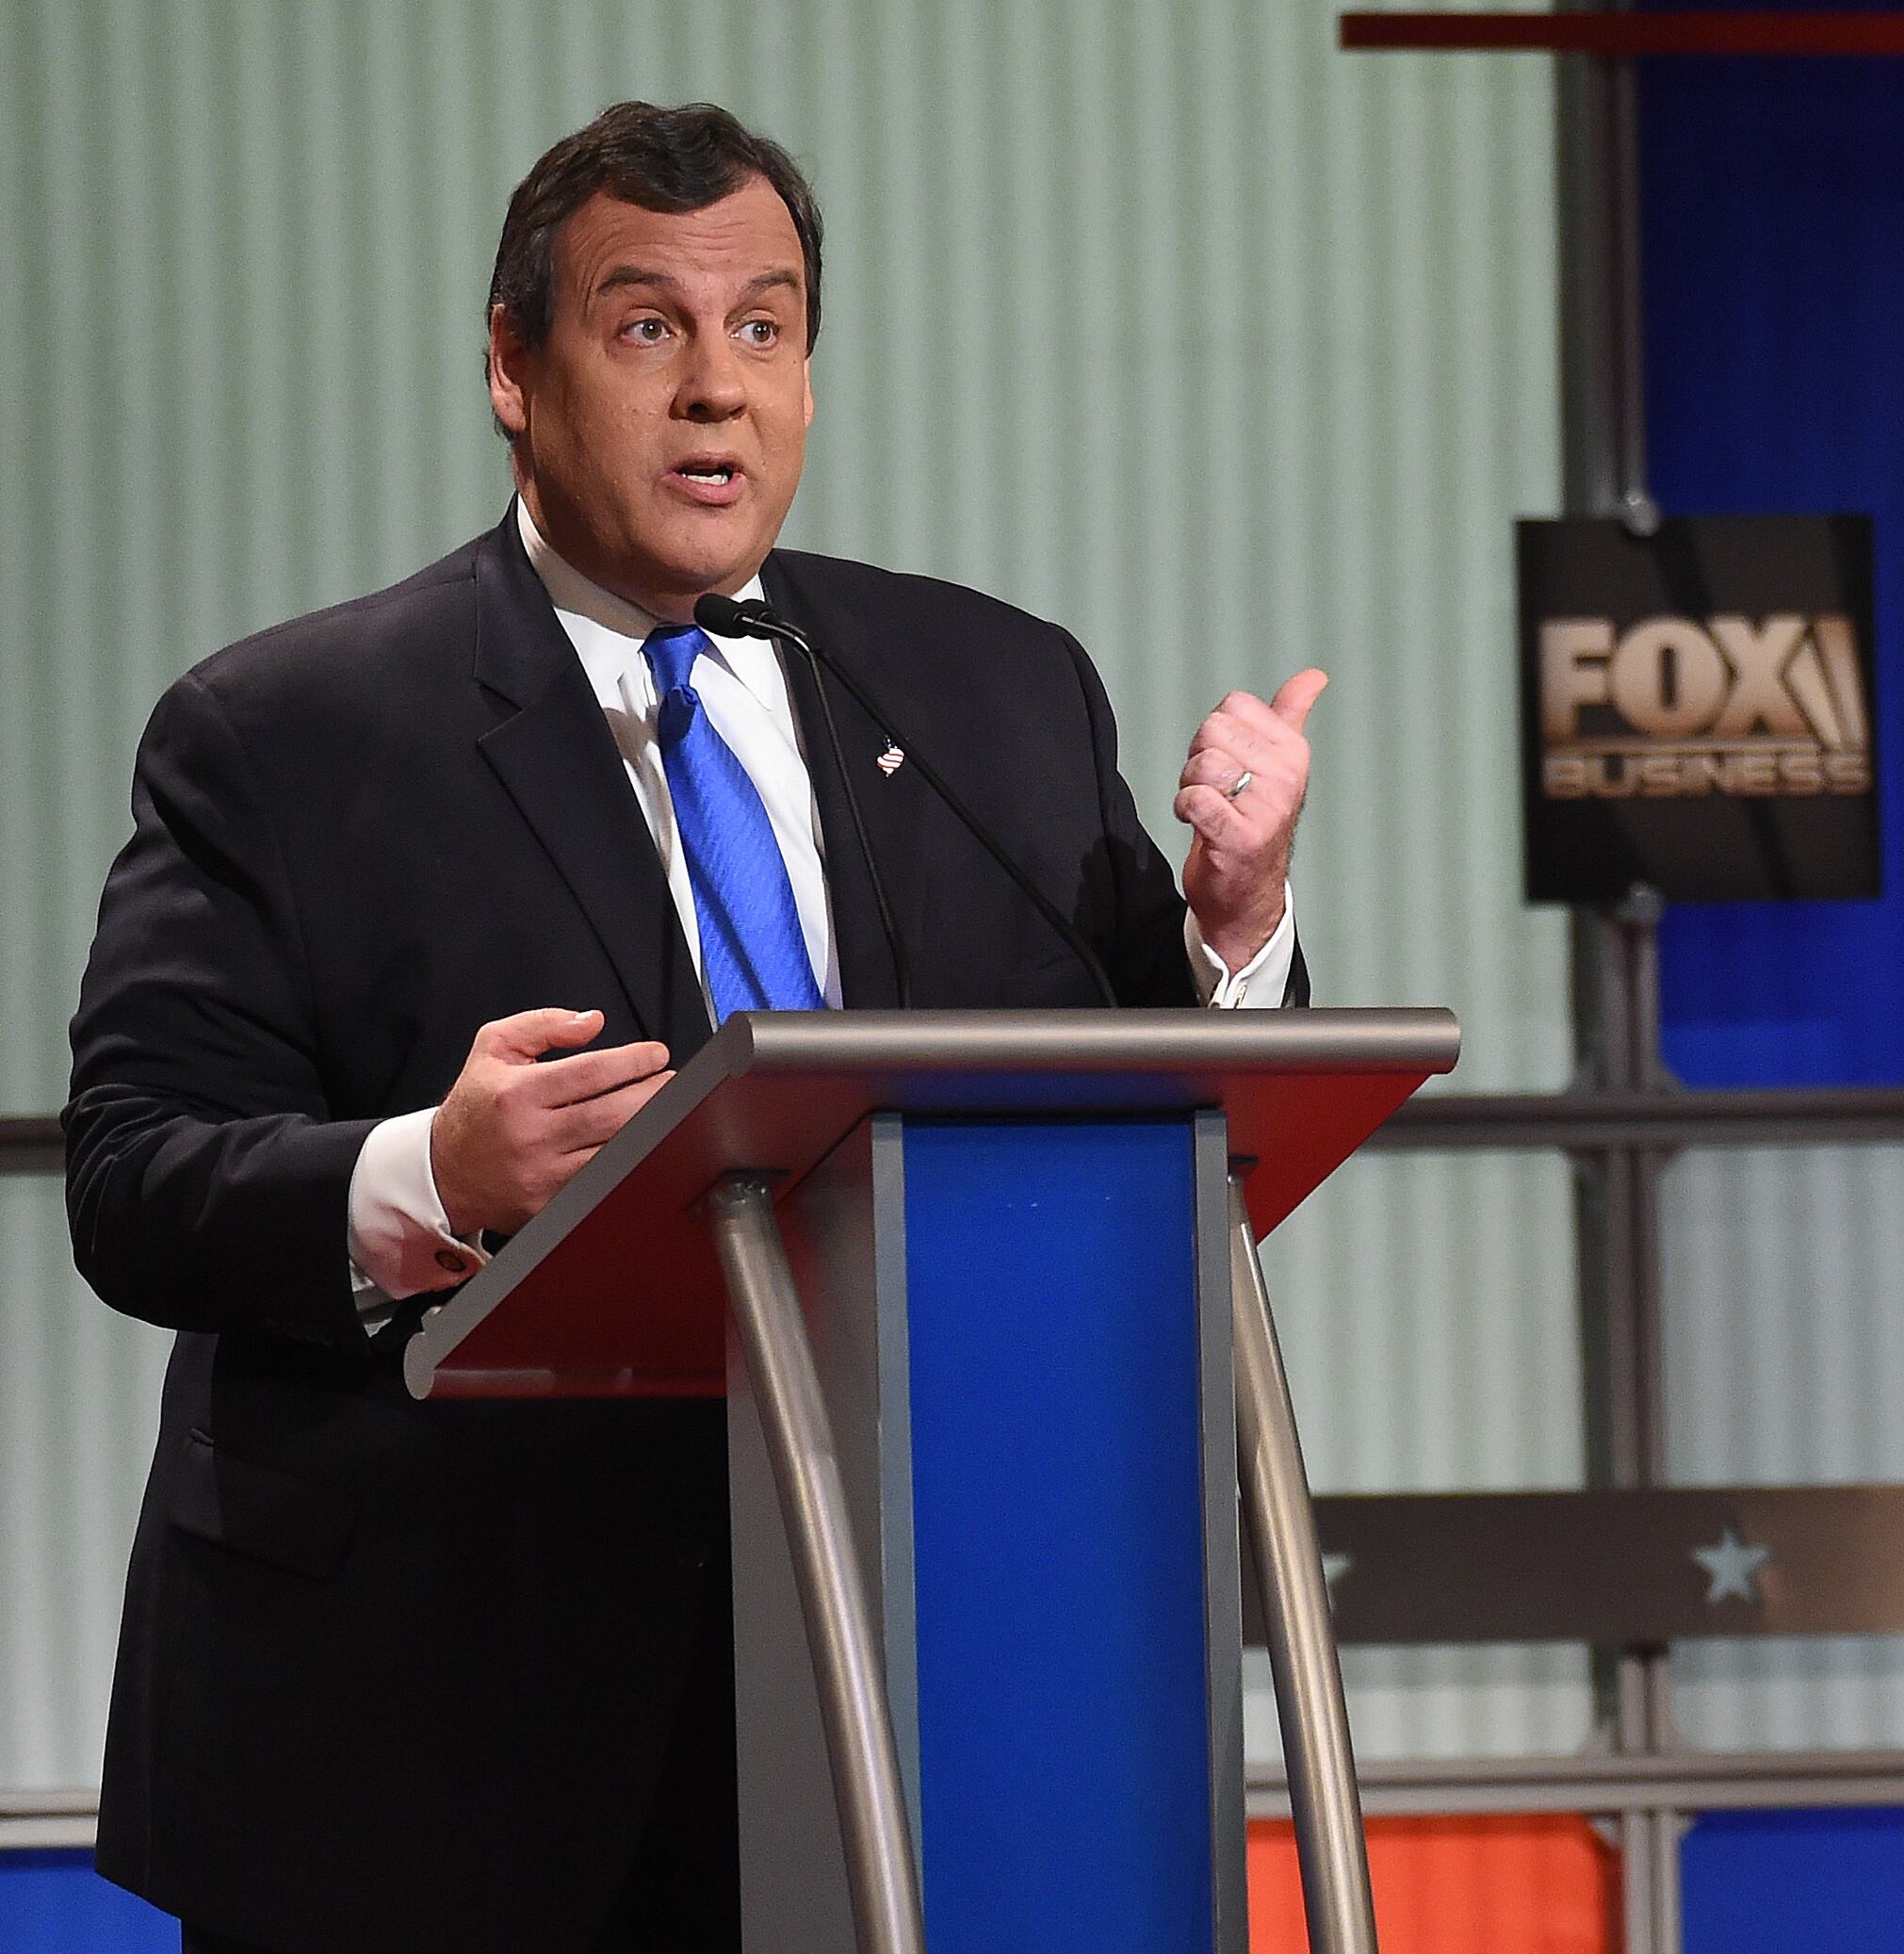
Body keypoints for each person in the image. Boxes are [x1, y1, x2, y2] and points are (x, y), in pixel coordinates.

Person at [65, 102, 1322, 1954]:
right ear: (514, 367)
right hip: (442, 1728)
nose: (717, 386)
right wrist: (432, 1172)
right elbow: (134, 1172)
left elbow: (1159, 1096)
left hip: (925, 1685)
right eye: (647, 324)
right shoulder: (289, 731)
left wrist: (1236, 924)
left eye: (764, 327)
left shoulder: (988, 686)